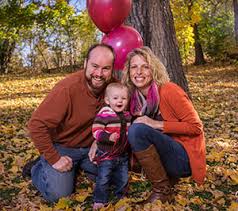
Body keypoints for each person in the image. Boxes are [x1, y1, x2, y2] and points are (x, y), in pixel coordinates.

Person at [24, 43, 116, 203]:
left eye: (106, 68)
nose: (99, 74)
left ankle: (79, 167)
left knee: (114, 175)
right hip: (63, 147)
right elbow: (36, 125)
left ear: (112, 69)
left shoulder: (113, 88)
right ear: (85, 63)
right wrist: (54, 159)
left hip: (90, 149)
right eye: (95, 66)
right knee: (59, 196)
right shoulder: (67, 88)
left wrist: (98, 140)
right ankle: (36, 167)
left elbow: (117, 116)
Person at [122, 46, 206, 204]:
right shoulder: (133, 99)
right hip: (167, 155)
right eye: (134, 67)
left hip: (184, 159)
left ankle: (162, 192)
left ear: (153, 70)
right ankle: (163, 181)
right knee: (132, 130)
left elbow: (196, 127)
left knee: (138, 129)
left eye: (145, 67)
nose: (139, 72)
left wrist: (155, 123)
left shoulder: (169, 90)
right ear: (128, 72)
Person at [91, 82, 131, 210]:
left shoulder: (126, 115)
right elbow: (96, 130)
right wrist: (108, 137)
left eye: (123, 98)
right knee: (103, 177)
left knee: (123, 177)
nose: (120, 101)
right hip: (106, 153)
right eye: (115, 98)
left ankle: (121, 196)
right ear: (107, 100)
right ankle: (99, 199)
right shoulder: (105, 113)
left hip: (122, 153)